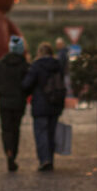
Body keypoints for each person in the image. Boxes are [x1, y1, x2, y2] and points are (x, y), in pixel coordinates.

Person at [22, 39, 66, 172]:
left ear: (40, 52)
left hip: (40, 104)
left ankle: (44, 159)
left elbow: (26, 84)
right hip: (55, 104)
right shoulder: (58, 65)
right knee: (51, 133)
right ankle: (51, 159)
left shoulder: (36, 65)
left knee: (41, 132)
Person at [0, 34, 29, 172]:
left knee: (6, 130)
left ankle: (8, 152)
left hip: (4, 101)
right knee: (16, 129)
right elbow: (29, 84)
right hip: (18, 102)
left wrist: (0, 91)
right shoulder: (24, 65)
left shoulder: (0, 64)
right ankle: (14, 154)